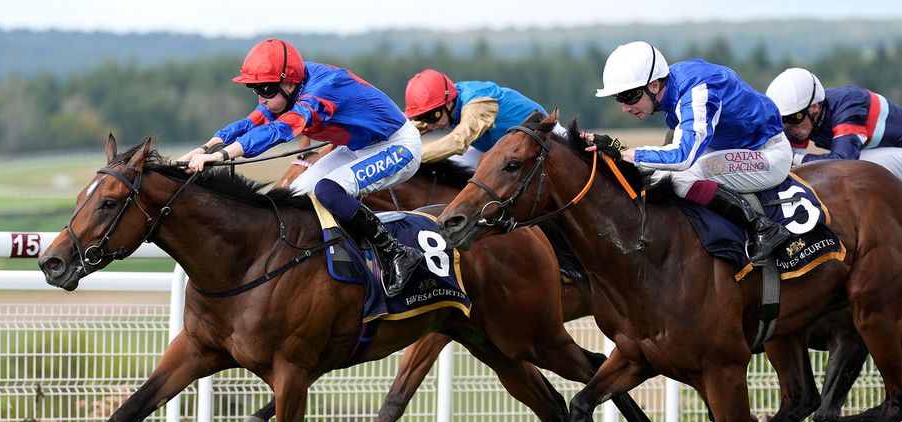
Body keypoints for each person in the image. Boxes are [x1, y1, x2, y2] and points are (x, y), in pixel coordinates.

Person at [179, 39, 424, 297]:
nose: (262, 98)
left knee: (327, 191)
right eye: (256, 90)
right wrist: (206, 148)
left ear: (288, 83)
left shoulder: (323, 88)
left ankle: (397, 252)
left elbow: (281, 130)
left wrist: (225, 155)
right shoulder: (288, 86)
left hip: (397, 146)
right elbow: (251, 123)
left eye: (266, 89)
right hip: (355, 147)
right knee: (295, 197)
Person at [586, 41, 791, 263]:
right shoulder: (671, 85)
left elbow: (682, 157)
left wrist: (622, 150)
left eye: (629, 96)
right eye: (619, 98)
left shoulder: (696, 92)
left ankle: (762, 227)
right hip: (733, 148)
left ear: (654, 86)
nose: (625, 108)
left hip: (768, 155)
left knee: (681, 179)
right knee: (657, 175)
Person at [404, 69, 557, 169]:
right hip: (502, 151)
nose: (429, 124)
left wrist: (404, 158)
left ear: (449, 102)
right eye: (422, 117)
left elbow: (457, 141)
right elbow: (404, 131)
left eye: (433, 116)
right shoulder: (441, 103)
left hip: (547, 137)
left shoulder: (477, 103)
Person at [765, 67, 902, 178]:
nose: (788, 126)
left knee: (857, 166)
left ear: (814, 107)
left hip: (896, 151)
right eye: (782, 120)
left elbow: (843, 160)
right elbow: (786, 160)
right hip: (882, 151)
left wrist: (796, 160)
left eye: (794, 117)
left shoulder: (849, 106)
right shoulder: (803, 119)